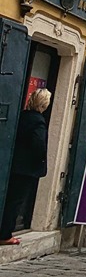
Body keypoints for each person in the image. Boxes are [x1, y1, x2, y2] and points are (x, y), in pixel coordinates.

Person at [0, 88, 51, 245]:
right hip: (26, 169)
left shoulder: (21, 116)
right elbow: (38, 144)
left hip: (12, 164)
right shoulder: (38, 121)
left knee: (8, 198)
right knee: (15, 201)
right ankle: (5, 234)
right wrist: (40, 160)